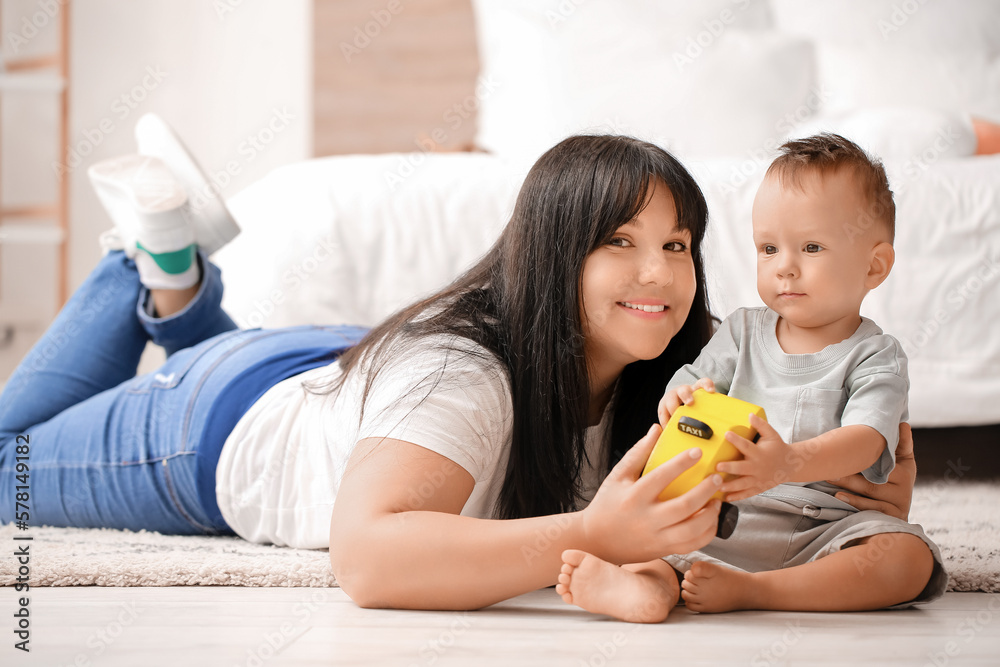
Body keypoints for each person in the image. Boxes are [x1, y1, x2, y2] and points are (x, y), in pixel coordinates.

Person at [0, 126, 917, 612]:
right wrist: (595, 533)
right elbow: (369, 557)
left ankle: (184, 294)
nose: (660, 274)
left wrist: (852, 486)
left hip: (341, 367)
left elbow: (788, 458)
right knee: (12, 469)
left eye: (676, 244)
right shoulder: (464, 376)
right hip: (209, 427)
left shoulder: (690, 360)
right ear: (556, 252)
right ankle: (151, 263)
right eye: (620, 243)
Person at [554, 134, 947, 622]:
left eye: (811, 246)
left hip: (823, 528)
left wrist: (786, 463)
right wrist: (680, 396)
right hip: (724, 515)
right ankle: (645, 590)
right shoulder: (741, 330)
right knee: (659, 544)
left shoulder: (875, 355)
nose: (784, 267)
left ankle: (760, 591)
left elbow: (867, 440)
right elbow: (695, 381)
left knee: (906, 559)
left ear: (875, 265)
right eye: (768, 248)